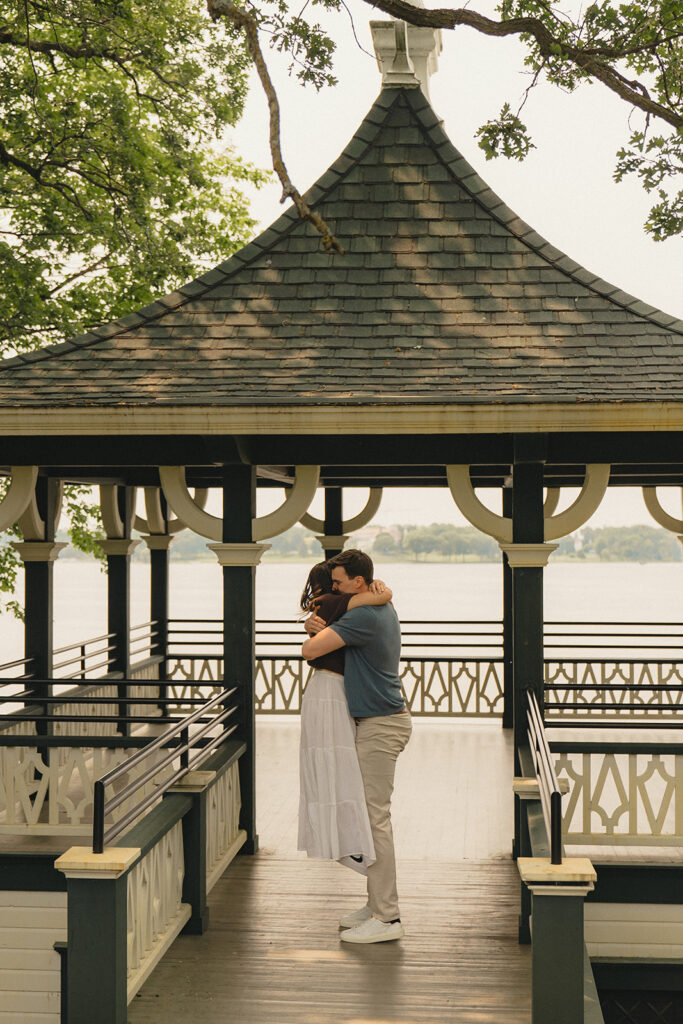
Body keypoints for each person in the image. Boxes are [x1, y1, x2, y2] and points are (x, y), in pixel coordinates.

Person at [302, 549, 411, 945]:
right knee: (371, 818)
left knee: (374, 819)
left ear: (359, 583)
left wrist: (315, 629)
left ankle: (388, 917)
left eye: (339, 582)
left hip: (382, 725)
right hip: (379, 721)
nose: (334, 588)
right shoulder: (373, 606)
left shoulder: (365, 614)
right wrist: (318, 622)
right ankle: (375, 905)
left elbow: (311, 652)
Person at [298, 561, 393, 876]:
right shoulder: (333, 603)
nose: (336, 587)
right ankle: (347, 842)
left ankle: (345, 841)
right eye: (335, 582)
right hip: (328, 690)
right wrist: (384, 590)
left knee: (337, 765)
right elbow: (309, 650)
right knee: (337, 764)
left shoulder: (330, 605)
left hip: (331, 690)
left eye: (340, 582)